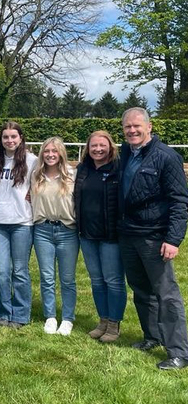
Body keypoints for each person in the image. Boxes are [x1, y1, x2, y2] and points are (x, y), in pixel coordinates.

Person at [118, 107, 188, 370]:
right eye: (127, 127)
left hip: (155, 237)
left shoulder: (166, 157)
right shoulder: (126, 152)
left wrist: (173, 239)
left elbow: (180, 201)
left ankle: (179, 351)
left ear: (149, 127)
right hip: (129, 234)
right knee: (141, 290)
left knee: (166, 294)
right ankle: (152, 336)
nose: (132, 131)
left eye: (137, 126)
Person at [73, 130, 126, 343]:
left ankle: (114, 324)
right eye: (93, 146)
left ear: (110, 147)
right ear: (88, 148)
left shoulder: (118, 169)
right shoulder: (82, 169)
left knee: (113, 281)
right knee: (96, 280)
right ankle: (102, 320)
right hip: (87, 234)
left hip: (111, 236)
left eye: (102, 145)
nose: (97, 149)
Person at [0, 122, 37, 329]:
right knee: (2, 270)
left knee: (20, 271)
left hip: (22, 223)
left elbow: (41, 184)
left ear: (21, 138)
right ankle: (3, 312)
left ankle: (21, 314)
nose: (9, 140)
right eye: (5, 137)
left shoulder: (32, 160)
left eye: (13, 137)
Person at [31, 137, 79, 336]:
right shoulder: (35, 175)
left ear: (61, 153)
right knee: (47, 277)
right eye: (47, 151)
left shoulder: (72, 175)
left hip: (67, 231)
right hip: (42, 230)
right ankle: (50, 316)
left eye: (54, 151)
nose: (50, 154)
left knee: (67, 279)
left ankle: (67, 319)